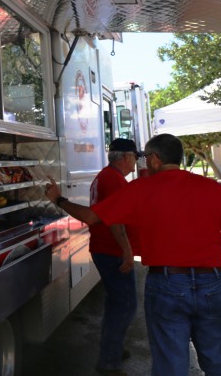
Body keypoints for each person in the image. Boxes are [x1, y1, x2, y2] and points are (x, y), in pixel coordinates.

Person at [44, 134, 221, 376]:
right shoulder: (210, 187)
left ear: (155, 159)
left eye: (144, 157)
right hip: (212, 284)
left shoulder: (140, 189)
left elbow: (91, 217)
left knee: (171, 363)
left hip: (167, 284)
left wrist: (58, 199)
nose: (143, 163)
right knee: (218, 360)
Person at [89, 138, 142, 376]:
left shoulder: (107, 176)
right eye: (135, 156)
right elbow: (115, 220)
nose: (136, 161)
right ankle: (109, 361)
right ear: (125, 157)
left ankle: (114, 349)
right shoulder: (114, 180)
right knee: (125, 305)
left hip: (106, 249)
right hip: (111, 250)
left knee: (116, 303)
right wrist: (127, 251)